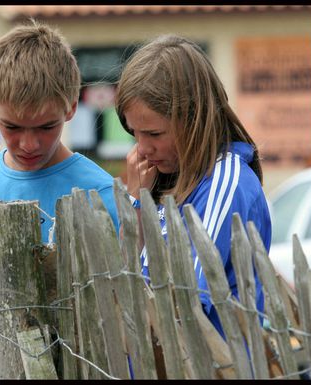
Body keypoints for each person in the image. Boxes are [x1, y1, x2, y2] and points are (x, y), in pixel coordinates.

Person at [115, 34, 271, 339]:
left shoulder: (225, 184)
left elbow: (180, 300)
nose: (142, 148)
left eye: (154, 134)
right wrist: (137, 204)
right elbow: (124, 279)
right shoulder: (165, 180)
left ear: (195, 119)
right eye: (134, 133)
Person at [0, 19, 119, 245]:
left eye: (46, 127)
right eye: (12, 127)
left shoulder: (103, 196)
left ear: (72, 106)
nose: (29, 144)